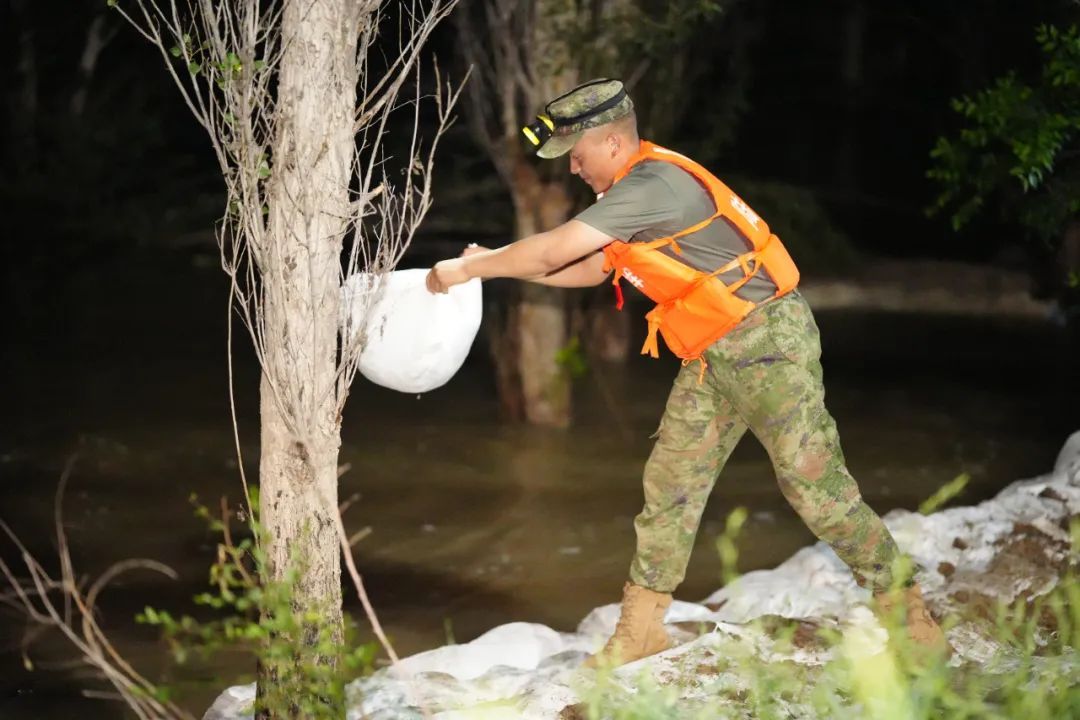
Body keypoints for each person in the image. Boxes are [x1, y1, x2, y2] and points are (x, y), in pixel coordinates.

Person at [426, 78, 948, 667]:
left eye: (577, 155)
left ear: (612, 143)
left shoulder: (652, 185)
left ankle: (908, 613)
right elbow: (592, 269)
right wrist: (492, 268)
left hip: (767, 341)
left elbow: (554, 250)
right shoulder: (628, 192)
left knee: (814, 486)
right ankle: (642, 629)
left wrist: (468, 270)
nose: (573, 169)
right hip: (711, 354)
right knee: (670, 486)